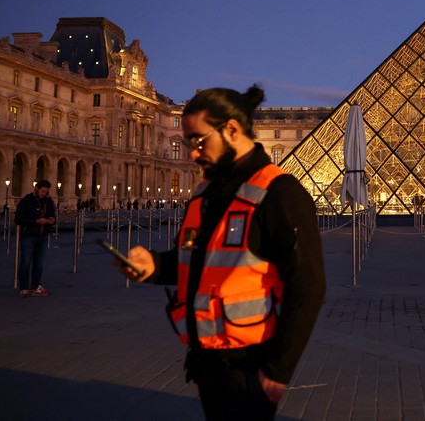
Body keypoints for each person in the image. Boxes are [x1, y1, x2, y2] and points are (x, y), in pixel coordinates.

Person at [115, 84, 326, 420]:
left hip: (250, 367)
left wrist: (276, 374)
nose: (192, 153)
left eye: (199, 141)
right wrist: (153, 265)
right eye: (188, 143)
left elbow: (309, 286)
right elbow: (197, 263)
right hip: (205, 360)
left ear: (231, 129)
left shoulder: (280, 191)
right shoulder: (204, 193)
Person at [14, 179, 57, 298]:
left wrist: (52, 220)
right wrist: (35, 221)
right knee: (26, 263)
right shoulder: (26, 201)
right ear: (36, 189)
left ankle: (35, 287)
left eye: (46, 192)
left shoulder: (48, 202)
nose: (44, 194)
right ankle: (23, 288)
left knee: (39, 264)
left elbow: (53, 215)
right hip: (28, 236)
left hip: (42, 236)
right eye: (43, 191)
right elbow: (18, 219)